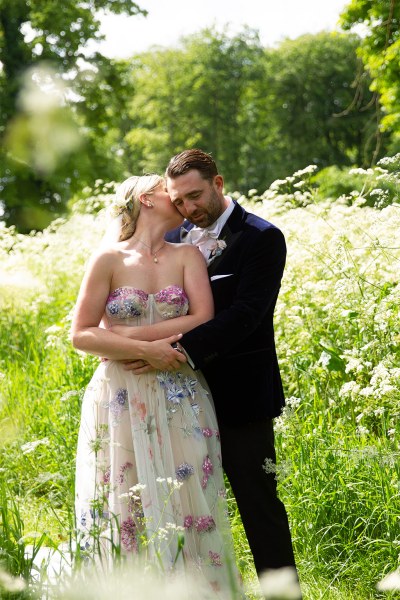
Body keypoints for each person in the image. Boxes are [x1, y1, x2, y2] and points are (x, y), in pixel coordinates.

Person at [128, 149, 298, 580]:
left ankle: (282, 592)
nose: (188, 208)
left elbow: (247, 315)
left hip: (240, 395)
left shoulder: (261, 237)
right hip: (174, 396)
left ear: (218, 184)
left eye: (196, 196)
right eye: (179, 200)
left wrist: (176, 352)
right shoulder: (174, 235)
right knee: (181, 504)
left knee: (258, 502)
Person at [70, 174, 243, 597]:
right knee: (123, 500)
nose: (182, 202)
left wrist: (127, 339)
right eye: (172, 194)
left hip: (179, 392)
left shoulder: (187, 256)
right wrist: (148, 350)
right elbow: (80, 334)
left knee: (187, 497)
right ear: (147, 199)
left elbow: (202, 319)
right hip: (120, 393)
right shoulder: (107, 259)